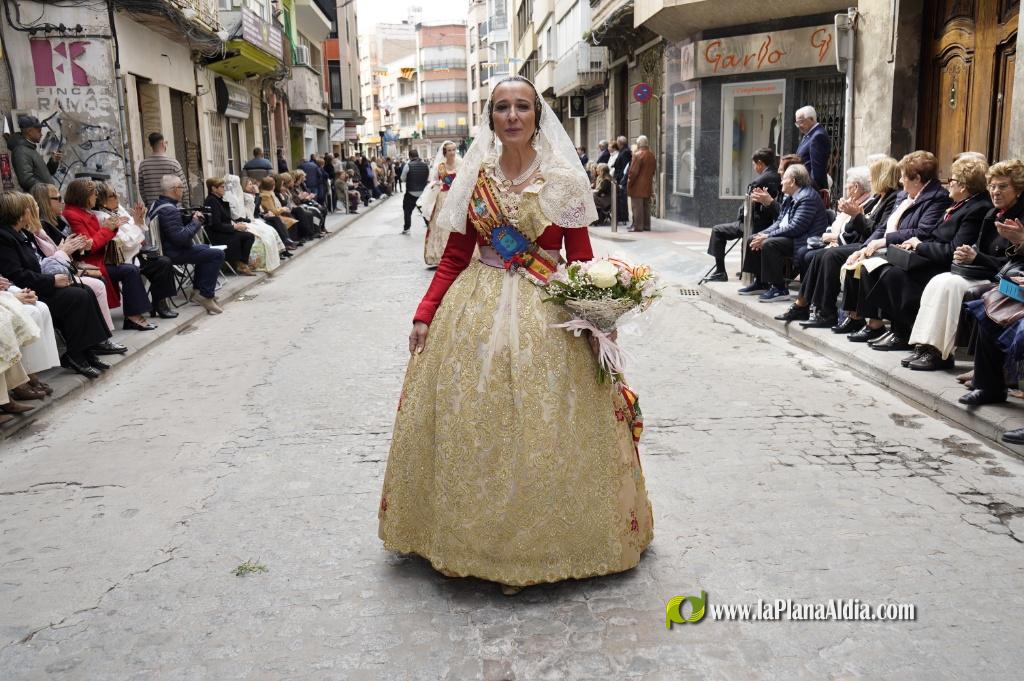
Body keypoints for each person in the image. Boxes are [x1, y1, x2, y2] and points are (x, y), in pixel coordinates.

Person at [378, 75, 652, 595]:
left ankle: (544, 546)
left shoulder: (564, 182)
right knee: (476, 425)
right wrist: (424, 312)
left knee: (544, 429)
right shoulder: (474, 180)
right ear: (491, 118)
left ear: (536, 115)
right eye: (501, 107)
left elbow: (581, 259)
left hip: (546, 312)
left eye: (521, 107)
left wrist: (597, 315)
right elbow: (456, 256)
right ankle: (469, 544)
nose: (511, 116)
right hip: (475, 310)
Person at [862, 156, 992, 355]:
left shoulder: (976, 208)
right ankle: (898, 330)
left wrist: (920, 246)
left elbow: (953, 249)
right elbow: (934, 234)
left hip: (945, 265)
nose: (948, 184)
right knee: (887, 270)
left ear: (964, 186)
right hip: (931, 257)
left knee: (895, 275)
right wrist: (913, 245)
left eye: (953, 180)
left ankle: (905, 333)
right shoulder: (959, 203)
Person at [906, 159, 1024, 370]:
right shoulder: (992, 214)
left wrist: (980, 256)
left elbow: (1010, 264)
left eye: (1003, 186)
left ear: (1018, 189)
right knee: (939, 280)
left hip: (1004, 278)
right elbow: (978, 249)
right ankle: (924, 345)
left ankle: (941, 353)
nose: (995, 192)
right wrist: (966, 253)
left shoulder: (1020, 218)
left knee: (952, 285)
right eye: (992, 186)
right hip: (983, 270)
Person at [0, 192, 119, 378]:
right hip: (27, 290)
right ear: (20, 213)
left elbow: (38, 264)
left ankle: (87, 350)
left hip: (39, 284)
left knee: (84, 290)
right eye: (28, 209)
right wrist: (52, 280)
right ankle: (75, 354)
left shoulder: (21, 233)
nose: (32, 212)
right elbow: (17, 274)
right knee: (76, 297)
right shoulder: (5, 237)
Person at [839, 151, 953, 345]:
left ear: (917, 179)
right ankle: (871, 323)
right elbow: (883, 227)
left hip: (913, 253)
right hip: (893, 247)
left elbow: (923, 231)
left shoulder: (938, 198)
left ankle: (900, 330)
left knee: (886, 272)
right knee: (861, 262)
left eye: (903, 177)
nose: (900, 181)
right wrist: (865, 247)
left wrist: (885, 241)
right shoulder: (904, 196)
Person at [775, 156, 902, 327]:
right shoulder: (880, 197)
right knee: (820, 255)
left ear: (882, 176)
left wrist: (856, 217)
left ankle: (826, 312)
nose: (870, 181)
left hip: (872, 244)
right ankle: (805, 305)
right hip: (864, 242)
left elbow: (877, 230)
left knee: (830, 255)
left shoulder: (893, 198)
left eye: (873, 177)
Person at [62, 179, 159, 331]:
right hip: (90, 262)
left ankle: (146, 311)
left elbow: (98, 240)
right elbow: (89, 247)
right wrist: (109, 229)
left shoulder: (87, 212)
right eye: (94, 194)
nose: (96, 197)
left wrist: (123, 226)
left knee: (152, 264)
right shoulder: (74, 214)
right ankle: (134, 316)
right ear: (84, 196)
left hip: (104, 258)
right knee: (130, 270)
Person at [28, 183, 117, 330]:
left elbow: (86, 245)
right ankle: (102, 333)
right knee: (95, 285)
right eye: (57, 198)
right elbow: (90, 247)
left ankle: (102, 332)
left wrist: (83, 245)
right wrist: (104, 232)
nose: (62, 202)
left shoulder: (60, 220)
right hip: (66, 269)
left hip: (74, 264)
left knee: (116, 275)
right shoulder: (64, 218)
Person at [740, 164, 829, 302]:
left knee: (770, 243)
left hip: (805, 239)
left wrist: (768, 236)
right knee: (754, 238)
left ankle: (779, 288)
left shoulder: (807, 197)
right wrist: (764, 234)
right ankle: (761, 283)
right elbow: (780, 222)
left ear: (793, 181)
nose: (781, 181)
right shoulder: (791, 197)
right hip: (795, 236)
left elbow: (796, 227)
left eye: (784, 178)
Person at [91, 182, 179, 319]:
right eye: (112, 195)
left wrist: (138, 223)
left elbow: (137, 229)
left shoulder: (118, 209)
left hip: (135, 254)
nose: (117, 197)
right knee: (154, 265)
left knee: (164, 262)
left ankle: (159, 304)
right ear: (102, 201)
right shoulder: (101, 217)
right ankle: (142, 311)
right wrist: (137, 225)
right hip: (122, 260)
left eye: (116, 193)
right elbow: (126, 242)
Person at [148, 175, 225, 315]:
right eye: (182, 187)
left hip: (167, 249)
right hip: (172, 253)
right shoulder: (169, 209)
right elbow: (180, 239)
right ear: (175, 189)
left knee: (207, 249)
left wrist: (190, 219)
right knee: (217, 254)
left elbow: (172, 229)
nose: (183, 190)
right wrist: (196, 222)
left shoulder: (158, 204)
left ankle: (197, 292)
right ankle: (206, 296)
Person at [705, 147, 782, 281]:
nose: (754, 168)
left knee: (717, 230)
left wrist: (740, 215)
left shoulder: (759, 181)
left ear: (759, 163)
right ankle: (744, 270)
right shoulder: (778, 176)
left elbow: (746, 208)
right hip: (770, 222)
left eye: (754, 165)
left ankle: (720, 271)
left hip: (756, 223)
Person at [203, 177, 256, 275]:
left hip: (222, 231)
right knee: (247, 236)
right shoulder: (211, 201)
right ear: (214, 188)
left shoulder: (218, 199)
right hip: (216, 235)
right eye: (222, 187)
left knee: (248, 234)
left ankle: (241, 263)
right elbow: (216, 224)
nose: (224, 189)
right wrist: (235, 227)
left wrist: (236, 224)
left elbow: (226, 218)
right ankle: (240, 264)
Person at [419, 141, 459, 267]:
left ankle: (458, 255)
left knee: (456, 226)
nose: (452, 153)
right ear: (445, 153)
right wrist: (436, 185)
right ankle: (441, 254)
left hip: (456, 198)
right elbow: (433, 181)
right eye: (449, 150)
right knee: (441, 227)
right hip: (443, 198)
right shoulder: (440, 167)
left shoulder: (461, 163)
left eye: (454, 150)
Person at [9, 114, 60, 192]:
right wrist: (47, 189)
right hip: (40, 199)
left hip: (45, 197)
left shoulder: (30, 148)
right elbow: (26, 180)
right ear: (29, 131)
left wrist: (53, 161)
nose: (41, 134)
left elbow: (44, 175)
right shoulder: (21, 151)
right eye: (39, 131)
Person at [138, 132, 189, 207]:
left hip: (154, 210)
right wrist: (186, 206)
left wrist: (148, 204)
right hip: (174, 209)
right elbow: (184, 187)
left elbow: (141, 188)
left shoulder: (143, 165)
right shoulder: (173, 163)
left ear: (151, 145)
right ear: (162, 143)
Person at [794, 105, 831, 190]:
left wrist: (813, 191)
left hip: (811, 189)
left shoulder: (818, 136)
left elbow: (817, 170)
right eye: (797, 123)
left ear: (811, 119)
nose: (799, 126)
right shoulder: (808, 135)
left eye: (801, 121)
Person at [626, 136, 656, 232]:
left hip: (637, 186)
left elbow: (633, 172)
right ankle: (646, 225)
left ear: (639, 144)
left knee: (637, 207)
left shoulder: (638, 155)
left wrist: (629, 183)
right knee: (646, 207)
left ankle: (638, 226)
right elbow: (653, 171)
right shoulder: (651, 155)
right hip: (647, 184)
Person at [400, 149, 429, 234]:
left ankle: (407, 228)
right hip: (423, 193)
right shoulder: (425, 165)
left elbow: (402, 178)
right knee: (424, 211)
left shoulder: (407, 165)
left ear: (410, 156)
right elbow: (428, 177)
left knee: (407, 210)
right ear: (418, 155)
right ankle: (429, 227)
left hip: (411, 192)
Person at [612, 135, 631, 225]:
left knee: (622, 199)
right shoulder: (623, 151)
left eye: (618, 142)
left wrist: (621, 179)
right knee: (620, 199)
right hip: (619, 178)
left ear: (620, 143)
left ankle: (623, 217)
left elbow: (625, 168)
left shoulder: (625, 152)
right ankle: (620, 217)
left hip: (622, 179)